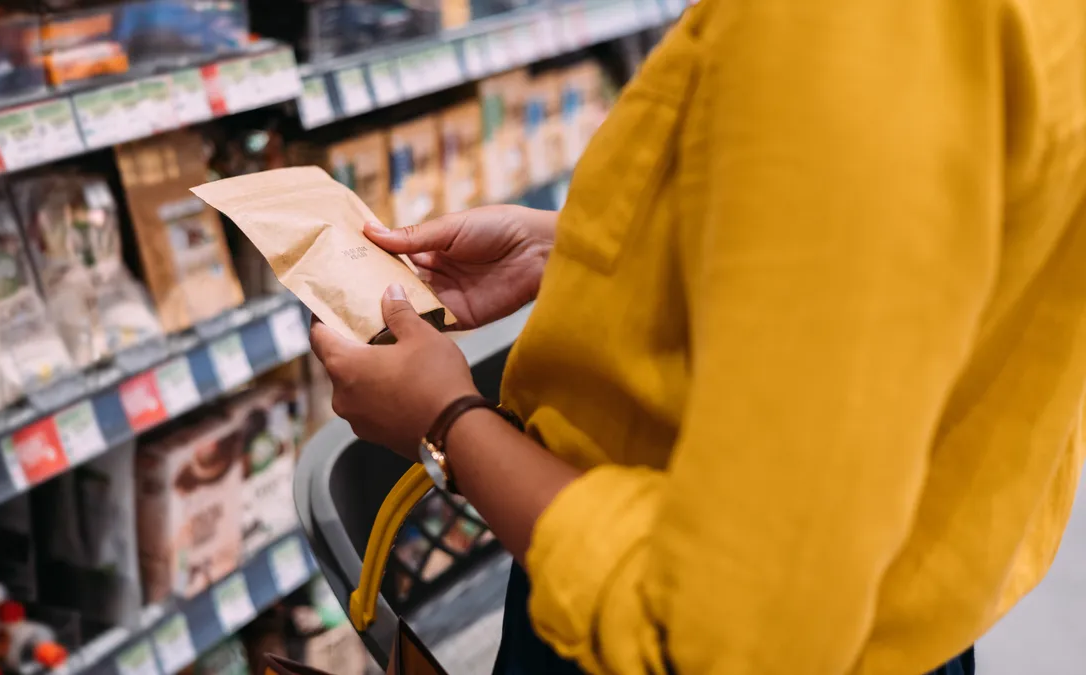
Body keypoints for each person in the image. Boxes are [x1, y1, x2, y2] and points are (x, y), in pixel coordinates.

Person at [307, 1, 1086, 673]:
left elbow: (730, 635)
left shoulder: (858, 25)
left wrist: (446, 421)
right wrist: (581, 250)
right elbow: (917, 266)